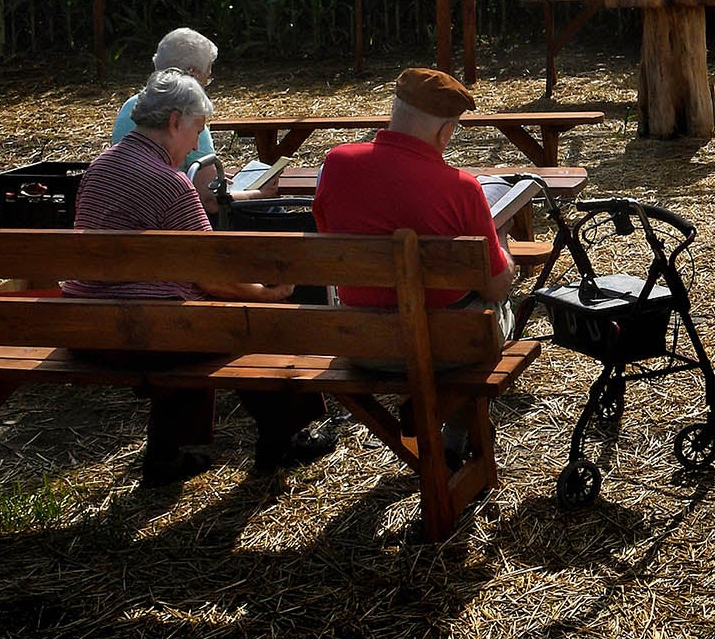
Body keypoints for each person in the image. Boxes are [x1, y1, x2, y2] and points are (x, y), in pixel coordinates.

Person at [67, 69, 327, 479]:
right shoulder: (172, 184)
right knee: (250, 320)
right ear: (174, 121)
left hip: (86, 325)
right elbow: (212, 275)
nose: (194, 144)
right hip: (145, 335)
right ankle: (286, 437)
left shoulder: (99, 169)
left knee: (186, 312)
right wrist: (268, 295)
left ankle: (169, 453)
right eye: (197, 129)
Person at [311, 67, 516, 464]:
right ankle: (457, 431)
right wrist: (503, 244)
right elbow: (494, 286)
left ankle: (447, 431)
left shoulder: (335, 164)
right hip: (445, 345)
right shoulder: (462, 188)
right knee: (493, 311)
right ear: (445, 132)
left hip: (361, 340)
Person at [110, 27, 221, 209]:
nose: (194, 145)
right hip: (172, 215)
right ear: (192, 73)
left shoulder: (130, 106)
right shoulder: (189, 116)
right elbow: (209, 199)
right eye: (206, 79)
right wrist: (256, 194)